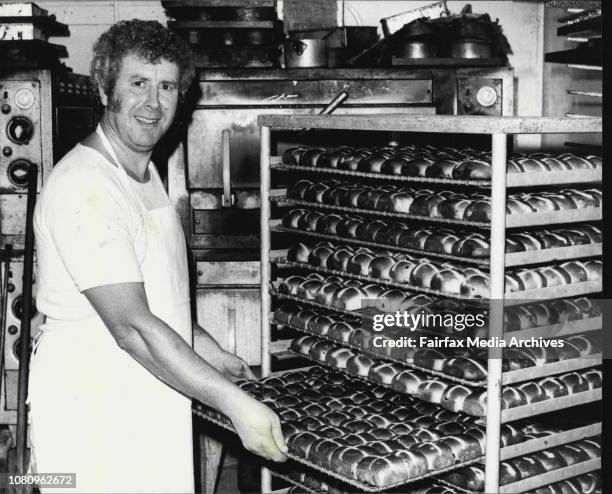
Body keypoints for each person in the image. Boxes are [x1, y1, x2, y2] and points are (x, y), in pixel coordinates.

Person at [29, 19, 287, 493]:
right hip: (92, 405)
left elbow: (154, 295)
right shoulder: (86, 186)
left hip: (147, 391)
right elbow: (131, 328)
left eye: (167, 86)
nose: (153, 102)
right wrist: (233, 402)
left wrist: (211, 355)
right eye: (138, 83)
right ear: (105, 92)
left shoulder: (143, 175)